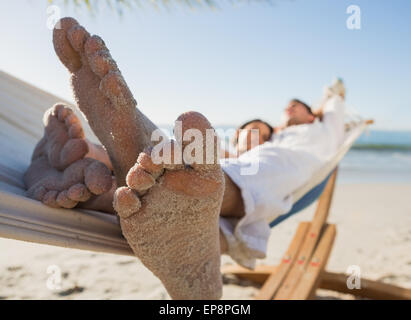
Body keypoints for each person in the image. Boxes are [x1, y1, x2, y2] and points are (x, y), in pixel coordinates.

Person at [24, 17, 346, 299]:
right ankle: (188, 253)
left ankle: (105, 175)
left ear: (311, 113)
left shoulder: (316, 132)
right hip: (225, 184)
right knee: (186, 182)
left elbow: (335, 96)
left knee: (218, 177)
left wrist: (325, 103)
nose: (288, 109)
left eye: (296, 107)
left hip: (264, 173)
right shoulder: (259, 144)